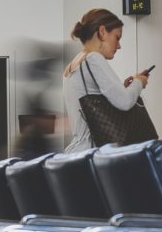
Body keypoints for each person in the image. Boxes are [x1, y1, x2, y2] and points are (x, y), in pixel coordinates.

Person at [63, 8, 150, 153]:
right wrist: (139, 82)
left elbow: (91, 105)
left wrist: (121, 87)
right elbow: (125, 101)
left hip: (77, 152)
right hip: (95, 154)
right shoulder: (93, 58)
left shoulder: (72, 66)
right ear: (102, 31)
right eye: (117, 37)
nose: (119, 46)